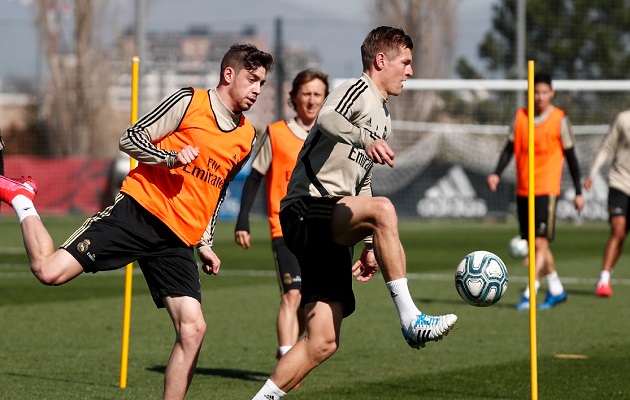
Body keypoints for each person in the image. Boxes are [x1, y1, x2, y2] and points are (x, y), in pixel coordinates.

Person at [0, 43, 274, 400]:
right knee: (48, 272)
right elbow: (130, 138)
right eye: (252, 80)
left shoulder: (246, 137)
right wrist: (170, 158)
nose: (257, 89)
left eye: (262, 84)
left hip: (177, 241)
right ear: (229, 74)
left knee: (193, 330)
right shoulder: (189, 101)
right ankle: (22, 198)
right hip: (138, 213)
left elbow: (218, 190)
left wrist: (205, 241)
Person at [251, 26, 457, 400]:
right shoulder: (356, 89)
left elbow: (361, 181)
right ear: (382, 60)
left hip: (330, 219)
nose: (410, 71)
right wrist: (365, 138)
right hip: (306, 208)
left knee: (323, 341)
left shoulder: (384, 115)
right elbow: (328, 119)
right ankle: (411, 318)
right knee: (384, 208)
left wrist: (368, 242)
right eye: (406, 62)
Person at [234, 69, 329, 367]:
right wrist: (243, 220)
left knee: (308, 301)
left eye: (318, 94)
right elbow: (255, 177)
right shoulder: (276, 133)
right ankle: (287, 358)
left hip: (322, 229)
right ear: (294, 98)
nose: (312, 100)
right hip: (285, 226)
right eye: (306, 94)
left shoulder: (332, 135)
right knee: (292, 295)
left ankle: (288, 353)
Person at [487, 72, 585, 311]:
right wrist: (497, 172)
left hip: (547, 189)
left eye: (544, 92)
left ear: (551, 93)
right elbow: (509, 149)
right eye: (536, 92)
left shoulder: (560, 120)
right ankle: (557, 289)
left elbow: (572, 159)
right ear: (531, 93)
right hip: (523, 190)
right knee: (538, 245)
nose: (540, 96)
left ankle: (530, 293)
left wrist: (578, 191)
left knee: (539, 244)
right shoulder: (520, 117)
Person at [583, 109, 630, 297]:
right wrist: (592, 173)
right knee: (618, 229)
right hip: (619, 181)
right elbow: (607, 146)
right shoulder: (623, 119)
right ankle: (603, 279)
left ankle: (608, 272)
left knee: (622, 237)